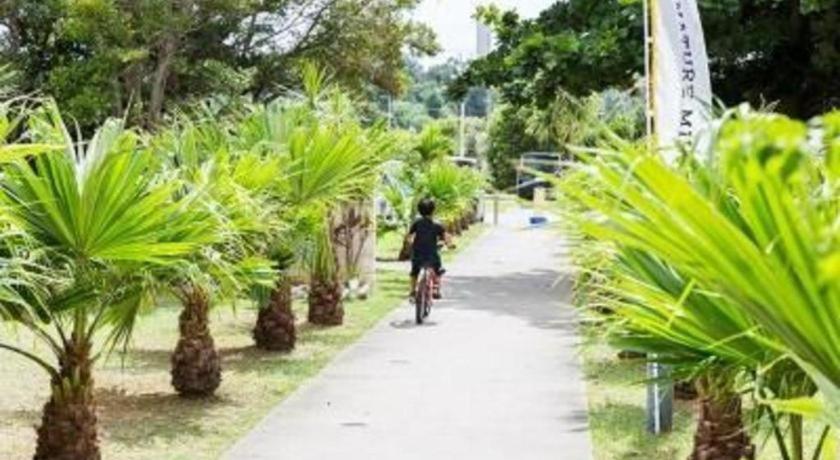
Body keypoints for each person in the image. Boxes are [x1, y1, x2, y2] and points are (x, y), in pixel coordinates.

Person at [406, 197, 453, 299]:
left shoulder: (416, 223)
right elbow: (446, 237)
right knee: (438, 269)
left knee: (414, 272)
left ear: (419, 210)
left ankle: (412, 291)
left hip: (418, 253)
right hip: (432, 254)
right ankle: (436, 289)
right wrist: (449, 245)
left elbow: (409, 237)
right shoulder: (437, 224)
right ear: (433, 210)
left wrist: (411, 244)